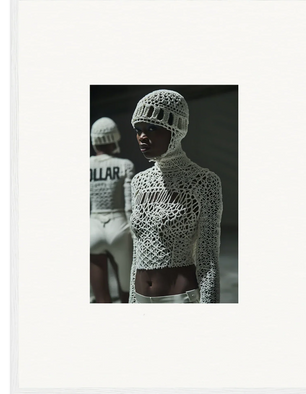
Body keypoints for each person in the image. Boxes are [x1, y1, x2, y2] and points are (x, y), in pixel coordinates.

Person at [128, 89, 223, 303]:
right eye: (138, 129)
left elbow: (207, 258)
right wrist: (132, 300)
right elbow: (137, 252)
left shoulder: (203, 181)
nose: (143, 136)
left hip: (179, 297)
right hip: (141, 296)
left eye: (152, 128)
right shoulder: (139, 182)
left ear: (176, 129)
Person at [90, 117, 135, 303]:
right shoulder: (125, 165)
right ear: (114, 138)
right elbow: (129, 206)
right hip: (119, 228)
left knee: (101, 300)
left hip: (92, 228)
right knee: (127, 293)